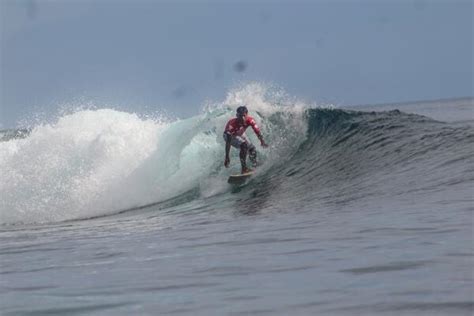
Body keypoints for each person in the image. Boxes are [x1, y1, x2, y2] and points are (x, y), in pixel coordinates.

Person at [223, 106, 268, 174]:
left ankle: (254, 164)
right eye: (240, 116)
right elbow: (228, 142)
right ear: (237, 115)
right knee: (244, 145)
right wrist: (227, 157)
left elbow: (257, 131)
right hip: (229, 136)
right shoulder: (232, 125)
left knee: (252, 149)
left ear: (247, 114)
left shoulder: (250, 120)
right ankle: (244, 169)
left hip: (240, 132)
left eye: (244, 116)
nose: (242, 118)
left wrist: (262, 142)